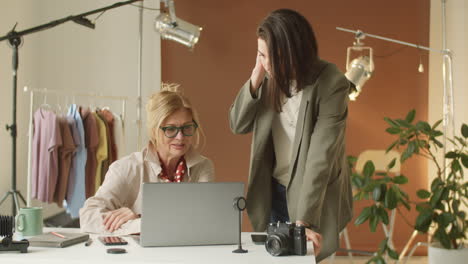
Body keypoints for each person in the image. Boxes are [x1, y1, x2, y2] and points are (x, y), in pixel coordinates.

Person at [229, 9, 353, 261]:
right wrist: (256, 75)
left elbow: (321, 158)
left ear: (294, 52)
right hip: (274, 191)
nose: (265, 63)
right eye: (260, 54)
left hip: (314, 197)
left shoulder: (331, 83)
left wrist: (304, 220)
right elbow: (237, 124)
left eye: (270, 56)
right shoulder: (268, 77)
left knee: (309, 259)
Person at [80, 84, 215, 235]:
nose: (180, 137)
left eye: (187, 128)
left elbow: (204, 219)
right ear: (154, 131)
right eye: (170, 129)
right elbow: (88, 217)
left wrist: (142, 219)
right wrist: (137, 225)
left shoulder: (202, 166)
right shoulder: (127, 168)